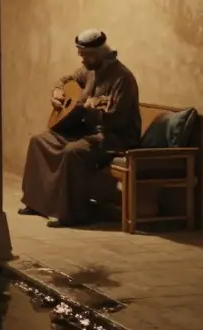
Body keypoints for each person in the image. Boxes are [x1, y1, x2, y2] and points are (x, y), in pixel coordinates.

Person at [19, 29, 140, 228]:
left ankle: (70, 214)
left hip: (114, 136)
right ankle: (37, 203)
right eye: (80, 53)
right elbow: (66, 81)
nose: (81, 58)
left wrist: (95, 110)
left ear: (100, 53)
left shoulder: (122, 78)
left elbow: (118, 117)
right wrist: (57, 91)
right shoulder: (88, 70)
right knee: (39, 141)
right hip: (87, 132)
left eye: (85, 54)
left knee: (72, 152)